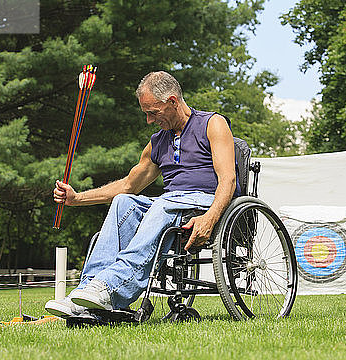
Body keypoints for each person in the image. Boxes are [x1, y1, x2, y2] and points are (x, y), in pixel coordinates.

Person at [45, 71, 237, 317]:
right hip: (169, 204)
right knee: (124, 202)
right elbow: (127, 186)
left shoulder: (212, 124)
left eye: (153, 113)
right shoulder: (158, 142)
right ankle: (88, 291)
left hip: (204, 202)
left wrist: (210, 218)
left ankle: (112, 286)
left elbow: (228, 180)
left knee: (163, 204)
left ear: (172, 102)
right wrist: (77, 198)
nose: (148, 120)